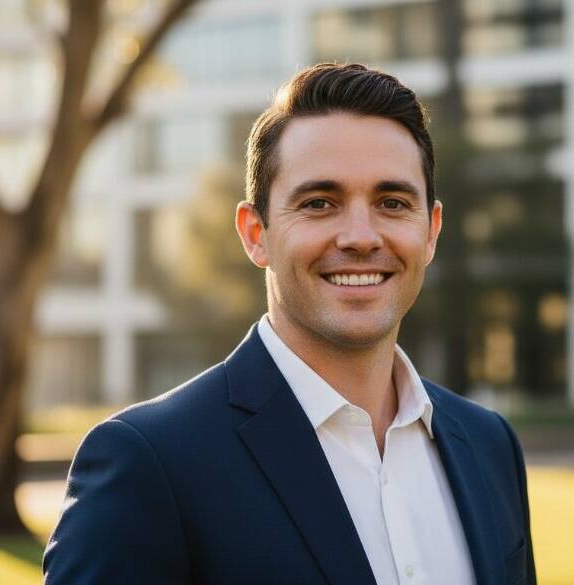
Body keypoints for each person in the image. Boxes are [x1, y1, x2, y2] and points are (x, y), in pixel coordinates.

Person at [43, 62, 537, 585]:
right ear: (255, 233)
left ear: (431, 231)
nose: (361, 237)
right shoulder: (149, 463)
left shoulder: (489, 445)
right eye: (320, 203)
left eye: (392, 203)